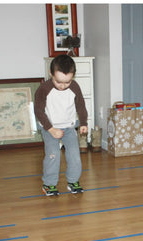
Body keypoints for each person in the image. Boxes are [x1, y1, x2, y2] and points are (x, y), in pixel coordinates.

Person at [34, 54, 88, 196]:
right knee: (53, 154)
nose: (63, 86)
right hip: (49, 127)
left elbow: (81, 106)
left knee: (74, 155)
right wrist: (50, 129)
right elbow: (38, 111)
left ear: (73, 77)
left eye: (67, 82)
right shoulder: (44, 89)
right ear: (51, 74)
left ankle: (73, 181)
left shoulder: (74, 87)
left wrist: (83, 122)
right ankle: (49, 184)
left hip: (69, 127)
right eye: (59, 82)